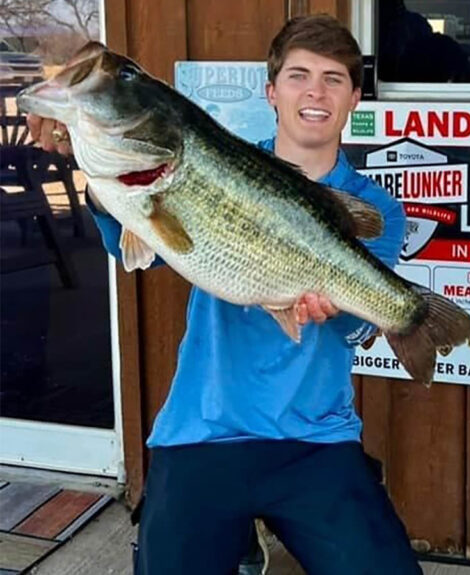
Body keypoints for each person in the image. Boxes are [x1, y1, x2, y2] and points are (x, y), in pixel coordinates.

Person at [29, 14, 422, 575]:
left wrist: (335, 312)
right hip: (203, 429)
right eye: (298, 75)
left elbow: (358, 328)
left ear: (354, 97)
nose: (315, 91)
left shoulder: (375, 209)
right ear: (272, 91)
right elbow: (134, 248)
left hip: (315, 436)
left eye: (334, 79)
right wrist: (98, 188)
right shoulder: (215, 159)